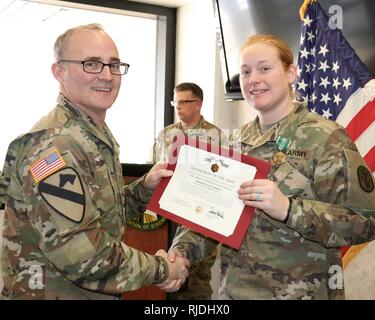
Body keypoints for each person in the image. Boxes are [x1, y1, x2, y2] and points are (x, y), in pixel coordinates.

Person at [166, 34, 375, 299]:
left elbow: (367, 220)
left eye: (265, 68)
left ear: (290, 73)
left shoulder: (326, 138)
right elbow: (209, 216)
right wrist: (179, 256)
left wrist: (289, 209)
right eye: (245, 71)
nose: (253, 80)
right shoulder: (234, 142)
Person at [0, 23, 190, 300]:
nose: (107, 75)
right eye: (91, 64)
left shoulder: (92, 133)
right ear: (59, 71)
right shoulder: (53, 145)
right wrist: (162, 269)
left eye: (114, 65)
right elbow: (84, 255)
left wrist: (144, 189)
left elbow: (100, 213)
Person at [152, 82, 222, 299]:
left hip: (198, 215)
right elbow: (154, 168)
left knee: (196, 278)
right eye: (176, 102)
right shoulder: (165, 134)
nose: (178, 107)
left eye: (184, 102)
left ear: (198, 104)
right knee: (168, 272)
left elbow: (219, 180)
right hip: (167, 215)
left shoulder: (214, 135)